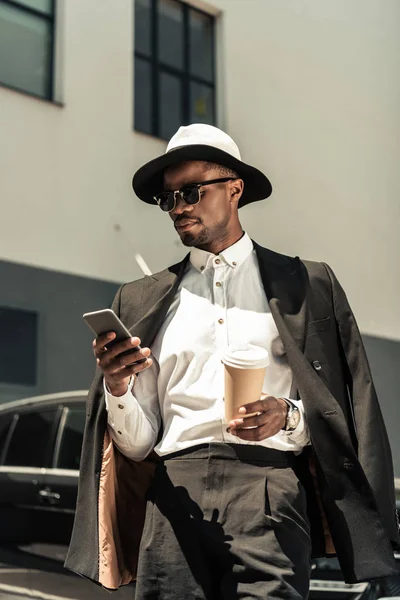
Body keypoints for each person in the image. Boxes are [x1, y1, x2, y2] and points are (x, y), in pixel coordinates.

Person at [65, 124, 399, 599]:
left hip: (268, 487)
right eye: (168, 200)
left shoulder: (308, 284)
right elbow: (138, 445)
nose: (178, 207)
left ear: (235, 189)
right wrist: (116, 389)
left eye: (190, 192)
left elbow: (345, 406)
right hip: (172, 495)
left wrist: (288, 416)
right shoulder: (140, 299)